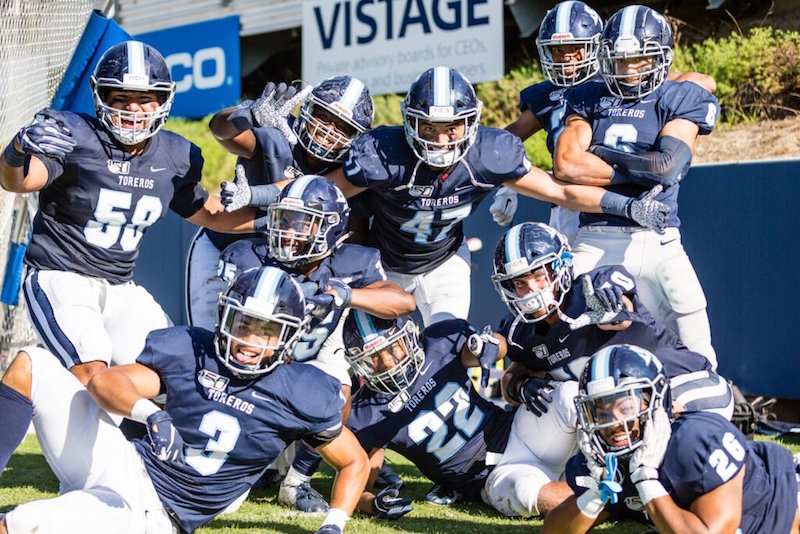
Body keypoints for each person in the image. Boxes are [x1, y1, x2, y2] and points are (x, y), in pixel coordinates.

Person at [221, 66, 671, 327]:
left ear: (471, 123)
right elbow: (319, 192)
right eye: (429, 126)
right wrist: (256, 193)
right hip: (383, 263)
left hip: (444, 262)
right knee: (369, 356)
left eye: (452, 125)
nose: (441, 138)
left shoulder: (489, 154)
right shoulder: (385, 155)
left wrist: (626, 206)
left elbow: (561, 190)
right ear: (409, 122)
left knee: (447, 348)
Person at [0, 266, 369, 534]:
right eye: (243, 324)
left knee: (25, 522)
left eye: (266, 331)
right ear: (225, 316)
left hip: (156, 513)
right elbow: (105, 382)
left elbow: (353, 461)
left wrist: (333, 525)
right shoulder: (193, 350)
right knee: (33, 363)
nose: (249, 341)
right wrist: (149, 414)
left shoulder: (299, 391)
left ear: (287, 338)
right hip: (125, 461)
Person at [0, 41, 264, 387]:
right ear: (101, 99)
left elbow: (212, 215)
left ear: (163, 101)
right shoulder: (77, 134)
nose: (132, 109)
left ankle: (143, 439)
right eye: (121, 99)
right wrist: (18, 149)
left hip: (120, 286)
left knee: (179, 370)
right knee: (92, 370)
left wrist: (277, 218)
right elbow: (18, 182)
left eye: (144, 99)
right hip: (60, 275)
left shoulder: (175, 154)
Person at [481, 221, 733, 519]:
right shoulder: (521, 332)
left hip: (690, 389)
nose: (531, 291)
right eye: (519, 283)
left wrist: (612, 304)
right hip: (627, 413)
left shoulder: (592, 288)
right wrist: (521, 387)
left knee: (662, 442)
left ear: (561, 267)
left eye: (539, 275)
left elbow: (620, 307)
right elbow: (511, 376)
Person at [218, 175, 415, 513]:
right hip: (256, 354)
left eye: (302, 224)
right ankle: (239, 467)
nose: (289, 233)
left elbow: (402, 302)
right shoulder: (250, 257)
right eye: (284, 221)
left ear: (332, 228)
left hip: (313, 356)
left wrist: (346, 294)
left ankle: (296, 483)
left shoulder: (352, 263)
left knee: (337, 391)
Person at [552, 5, 720, 366]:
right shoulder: (589, 94)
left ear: (661, 57)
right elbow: (566, 164)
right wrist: (639, 166)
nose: (628, 70)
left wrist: (601, 153)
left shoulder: (679, 95)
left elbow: (666, 167)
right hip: (596, 236)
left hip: (659, 239)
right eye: (620, 60)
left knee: (698, 352)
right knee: (575, 345)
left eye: (639, 59)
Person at [542, 344, 800, 534]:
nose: (614, 421)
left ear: (656, 402)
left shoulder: (695, 440)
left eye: (626, 407)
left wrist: (646, 480)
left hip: (784, 503)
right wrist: (596, 494)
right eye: (601, 410)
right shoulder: (604, 462)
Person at [187, 76, 374, 331]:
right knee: (211, 334)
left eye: (343, 127)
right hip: (224, 243)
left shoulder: (350, 173)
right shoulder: (278, 131)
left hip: (279, 261)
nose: (329, 131)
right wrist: (246, 115)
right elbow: (221, 130)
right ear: (307, 108)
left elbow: (350, 241)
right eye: (324, 116)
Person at [342, 310, 515, 510]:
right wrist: (373, 505)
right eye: (373, 357)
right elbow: (355, 484)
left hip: (511, 434)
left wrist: (489, 344)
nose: (388, 362)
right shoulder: (366, 413)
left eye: (392, 348)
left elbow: (500, 346)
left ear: (407, 335)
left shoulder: (438, 343)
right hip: (476, 481)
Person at [497, 0, 604, 240]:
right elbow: (507, 137)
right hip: (566, 202)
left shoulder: (613, 83)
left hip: (611, 194)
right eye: (557, 49)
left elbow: (695, 83)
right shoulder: (548, 93)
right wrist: (505, 178)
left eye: (574, 47)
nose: (565, 57)